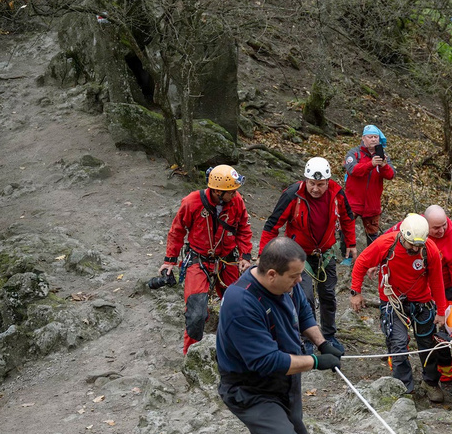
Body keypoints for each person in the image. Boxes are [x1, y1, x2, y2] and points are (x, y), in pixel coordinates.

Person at [215, 238, 343, 434]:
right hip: (251, 391)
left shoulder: (287, 284)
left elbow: (303, 310)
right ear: (271, 274)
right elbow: (265, 361)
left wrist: (321, 342)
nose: (299, 282)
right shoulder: (241, 303)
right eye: (294, 277)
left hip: (283, 385)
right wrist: (315, 361)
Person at [350, 213, 452, 403]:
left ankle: (431, 382)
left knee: (427, 344)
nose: (415, 249)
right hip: (392, 301)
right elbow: (362, 262)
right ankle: (404, 387)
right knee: (397, 343)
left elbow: (437, 281)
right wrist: (355, 292)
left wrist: (441, 311)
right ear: (402, 236)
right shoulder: (385, 244)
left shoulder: (428, 249)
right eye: (411, 245)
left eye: (418, 245)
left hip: (421, 301)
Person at [260, 157, 356, 353]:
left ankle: (329, 335)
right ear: (305, 179)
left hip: (325, 253)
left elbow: (347, 217)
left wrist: (351, 243)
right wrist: (265, 257)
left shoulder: (337, 194)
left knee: (328, 294)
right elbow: (272, 225)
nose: (315, 189)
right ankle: (307, 339)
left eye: (320, 184)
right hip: (297, 254)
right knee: (304, 297)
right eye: (312, 183)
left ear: (328, 182)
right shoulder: (292, 195)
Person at [163, 165, 253, 355]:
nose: (235, 194)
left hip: (227, 259)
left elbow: (243, 228)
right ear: (218, 191)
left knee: (239, 306)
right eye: (231, 191)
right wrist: (170, 260)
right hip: (199, 259)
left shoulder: (237, 202)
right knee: (196, 314)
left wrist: (245, 256)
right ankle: (191, 354)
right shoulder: (192, 203)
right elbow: (177, 230)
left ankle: (240, 348)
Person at [344, 124, 395, 246]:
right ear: (363, 138)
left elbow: (391, 175)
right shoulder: (354, 153)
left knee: (372, 233)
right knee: (345, 228)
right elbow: (353, 170)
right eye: (370, 137)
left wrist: (384, 166)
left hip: (372, 203)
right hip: (353, 201)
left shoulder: (383, 156)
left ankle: (370, 258)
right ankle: (346, 257)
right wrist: (370, 164)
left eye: (375, 137)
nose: (373, 139)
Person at [423, 205, 452, 305]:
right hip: (415, 284)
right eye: (436, 228)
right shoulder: (414, 226)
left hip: (441, 289)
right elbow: (388, 239)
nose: (441, 231)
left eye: (444, 225)